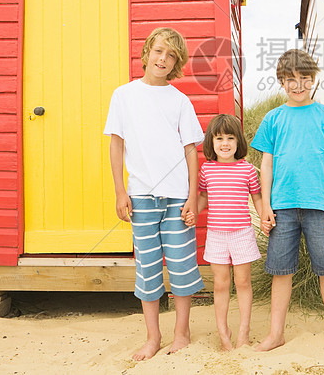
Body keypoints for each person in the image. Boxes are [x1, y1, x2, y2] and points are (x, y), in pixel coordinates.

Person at [104, 27, 205, 361]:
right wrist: (121, 192)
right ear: (147, 52)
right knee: (147, 268)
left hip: (177, 197)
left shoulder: (180, 100)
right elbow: (116, 146)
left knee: (180, 266)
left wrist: (192, 197)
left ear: (176, 62)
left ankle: (182, 331)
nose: (163, 59)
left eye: (171, 55)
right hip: (141, 196)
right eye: (159, 51)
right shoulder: (124, 95)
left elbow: (192, 150)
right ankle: (152, 336)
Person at [251, 49, 324, 352]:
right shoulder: (274, 119)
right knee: (281, 270)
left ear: (314, 79)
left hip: (320, 206)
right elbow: (266, 165)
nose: (298, 85)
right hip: (282, 206)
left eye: (305, 78)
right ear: (281, 82)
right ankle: (275, 333)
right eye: (291, 79)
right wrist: (267, 205)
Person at [185, 114, 263, 350]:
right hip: (216, 236)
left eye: (230, 137)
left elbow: (257, 198)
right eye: (219, 138)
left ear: (239, 141)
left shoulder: (248, 170)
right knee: (220, 284)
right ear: (211, 142)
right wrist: (192, 213)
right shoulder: (207, 170)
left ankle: (243, 333)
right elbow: (202, 198)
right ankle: (223, 332)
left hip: (242, 234)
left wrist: (266, 219)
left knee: (242, 282)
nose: (225, 143)